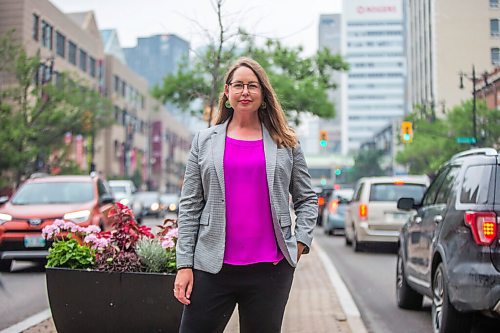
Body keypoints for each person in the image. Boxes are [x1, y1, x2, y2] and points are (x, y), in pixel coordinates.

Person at [174, 57, 318, 333]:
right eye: (238, 85)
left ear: (263, 94)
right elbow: (190, 205)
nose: (245, 92)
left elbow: (307, 198)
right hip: (211, 267)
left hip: (271, 270)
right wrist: (184, 265)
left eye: (252, 86)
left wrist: (299, 243)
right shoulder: (204, 141)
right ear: (227, 92)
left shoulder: (285, 142)